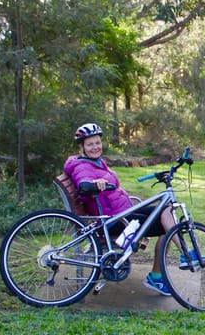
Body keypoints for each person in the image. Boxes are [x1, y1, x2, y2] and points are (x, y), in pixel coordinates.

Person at [64, 122, 175, 295]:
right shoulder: (83, 166)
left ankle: (177, 260)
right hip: (114, 222)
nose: (95, 147)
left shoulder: (96, 162)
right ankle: (161, 273)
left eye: (97, 142)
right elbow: (82, 183)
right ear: (82, 147)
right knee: (168, 224)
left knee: (167, 210)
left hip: (122, 215)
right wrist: (93, 184)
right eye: (90, 144)